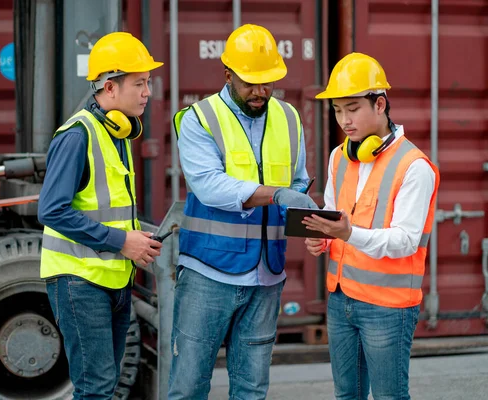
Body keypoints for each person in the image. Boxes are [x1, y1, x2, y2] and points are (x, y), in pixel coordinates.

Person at [168, 24, 317, 399]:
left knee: (252, 390)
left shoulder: (289, 117)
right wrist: (276, 194)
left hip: (267, 274)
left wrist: (306, 211)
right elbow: (209, 185)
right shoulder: (199, 119)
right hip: (209, 272)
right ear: (228, 74)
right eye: (251, 82)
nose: (261, 91)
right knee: (188, 387)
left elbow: (297, 182)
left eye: (268, 82)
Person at [304, 52, 440, 400]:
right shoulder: (339, 157)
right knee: (346, 396)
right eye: (337, 110)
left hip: (388, 307)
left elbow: (406, 241)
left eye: (352, 108)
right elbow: (334, 215)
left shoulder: (414, 166)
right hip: (340, 299)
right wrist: (323, 239)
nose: (344, 120)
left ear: (380, 104)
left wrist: (348, 233)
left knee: (389, 397)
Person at [38, 32, 164, 399]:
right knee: (95, 388)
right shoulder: (77, 136)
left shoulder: (118, 134)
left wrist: (135, 240)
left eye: (148, 83)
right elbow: (51, 210)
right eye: (139, 83)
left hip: (112, 279)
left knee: (103, 387)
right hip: (80, 282)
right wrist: (123, 241)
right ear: (110, 87)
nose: (147, 92)